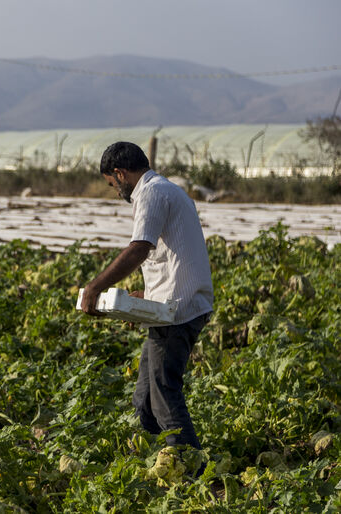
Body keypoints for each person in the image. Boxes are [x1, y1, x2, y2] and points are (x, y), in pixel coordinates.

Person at [80, 141, 214, 451]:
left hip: (178, 310)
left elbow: (139, 248)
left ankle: (191, 468)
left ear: (120, 173)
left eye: (113, 184)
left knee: (164, 392)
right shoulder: (168, 189)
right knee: (144, 399)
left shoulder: (151, 192)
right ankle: (152, 459)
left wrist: (94, 287)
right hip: (176, 303)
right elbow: (172, 254)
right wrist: (147, 294)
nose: (116, 192)